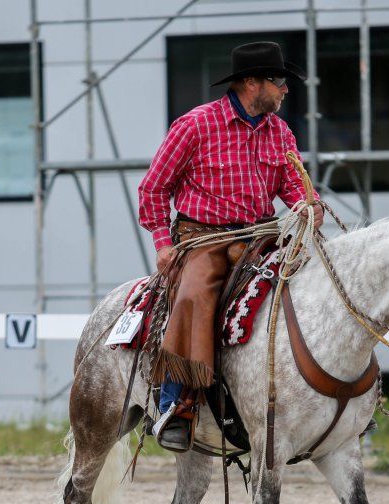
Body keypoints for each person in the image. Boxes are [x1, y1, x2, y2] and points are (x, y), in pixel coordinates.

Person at [137, 41, 323, 451]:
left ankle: (325, 401)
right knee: (193, 295)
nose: (285, 90)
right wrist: (163, 244)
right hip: (205, 238)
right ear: (251, 83)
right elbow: (153, 189)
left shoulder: (281, 132)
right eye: (279, 82)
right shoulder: (195, 125)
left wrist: (309, 207)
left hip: (263, 236)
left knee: (317, 285)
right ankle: (177, 403)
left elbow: (295, 188)